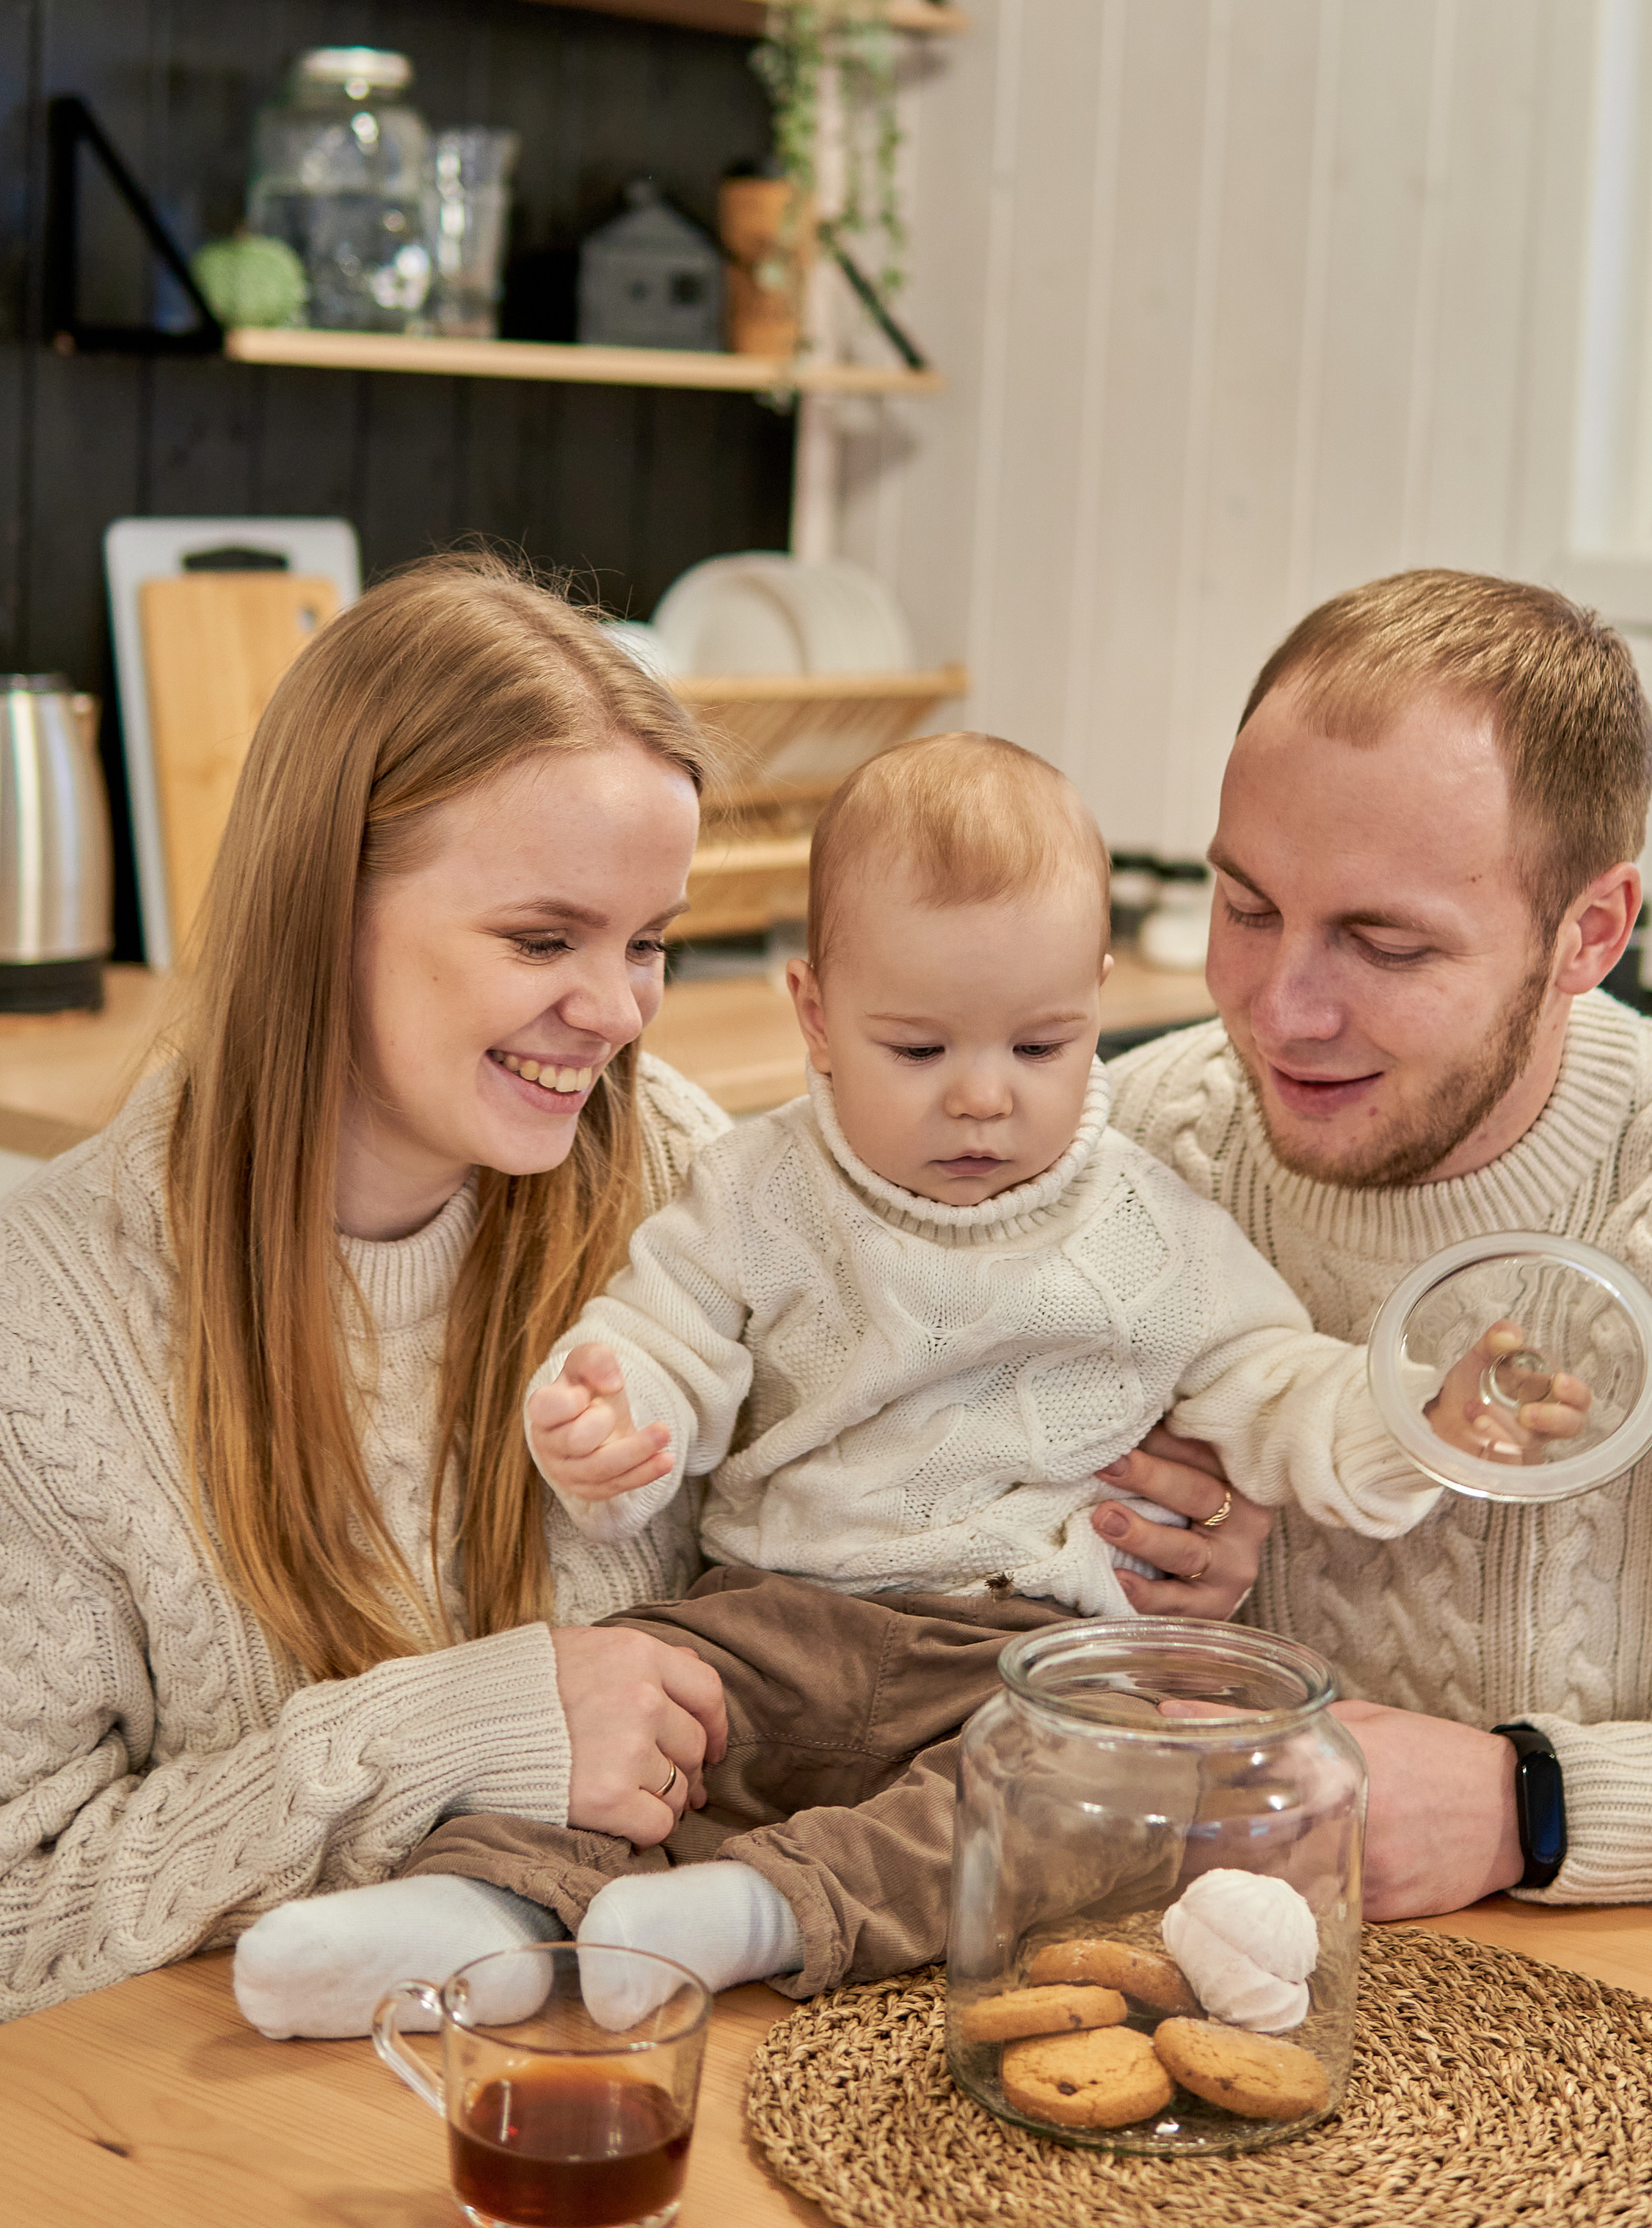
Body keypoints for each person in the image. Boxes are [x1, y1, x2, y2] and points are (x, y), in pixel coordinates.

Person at [0, 563, 1260, 2024]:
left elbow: (908, 1556)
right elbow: (21, 1907)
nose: (616, 1013)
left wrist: (1161, 1541)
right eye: (543, 939)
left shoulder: (684, 1170)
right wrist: (479, 1725)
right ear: (322, 906)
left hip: (669, 2042)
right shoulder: (48, 1319)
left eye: (646, 939)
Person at [233, 732, 1579, 2034]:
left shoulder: (1150, 1228)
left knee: (1082, 1791)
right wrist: (606, 1417)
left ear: (1097, 1004)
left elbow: (1283, 1392)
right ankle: (480, 1918)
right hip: (774, 1621)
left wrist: (1416, 1413)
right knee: (618, 1716)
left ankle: (754, 1916)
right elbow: (663, 1335)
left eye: (1042, 1049)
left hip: (1016, 1654)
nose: (984, 1100)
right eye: (922, 1052)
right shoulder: (757, 1188)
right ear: (816, 1016)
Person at [1102, 567, 1652, 1920]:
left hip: (1619, 2031)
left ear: (1590, 933)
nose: (1279, 1012)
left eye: (1385, 946)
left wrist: (1536, 1806)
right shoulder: (1124, 1142)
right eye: (1245, 907)